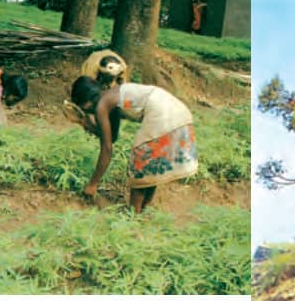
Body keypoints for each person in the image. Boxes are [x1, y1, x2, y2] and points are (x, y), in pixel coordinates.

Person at [69, 75, 198, 212]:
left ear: (85, 101)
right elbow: (111, 137)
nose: (85, 111)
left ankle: (133, 214)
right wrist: (84, 123)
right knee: (150, 164)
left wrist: (92, 184)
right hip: (177, 110)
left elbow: (107, 148)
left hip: (162, 112)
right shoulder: (110, 98)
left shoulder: (102, 106)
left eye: (81, 107)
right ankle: (143, 208)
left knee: (140, 162)